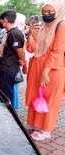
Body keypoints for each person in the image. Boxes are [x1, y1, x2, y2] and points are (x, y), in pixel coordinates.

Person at [24, 1, 65, 141]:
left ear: (58, 11)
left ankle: (46, 129)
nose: (46, 15)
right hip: (36, 67)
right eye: (44, 12)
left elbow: (57, 51)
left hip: (52, 70)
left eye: (50, 12)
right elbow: (31, 48)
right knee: (36, 95)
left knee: (49, 99)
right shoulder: (42, 28)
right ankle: (34, 123)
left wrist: (45, 72)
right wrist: (30, 33)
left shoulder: (62, 26)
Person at [0, 10, 27, 106]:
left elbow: (20, 51)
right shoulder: (9, 32)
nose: (0, 23)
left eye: (1, 21)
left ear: (5, 20)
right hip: (3, 67)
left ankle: (7, 115)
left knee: (6, 96)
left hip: (8, 69)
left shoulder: (14, 33)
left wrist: (24, 66)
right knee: (0, 92)